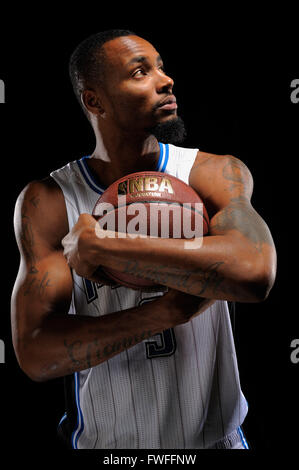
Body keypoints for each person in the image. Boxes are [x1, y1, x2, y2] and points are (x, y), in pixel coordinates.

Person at [11, 29, 276, 450]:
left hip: (215, 444)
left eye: (161, 66)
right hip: (108, 447)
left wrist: (106, 247)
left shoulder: (213, 173)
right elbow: (37, 353)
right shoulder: (49, 202)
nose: (165, 79)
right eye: (140, 72)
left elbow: (255, 272)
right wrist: (163, 314)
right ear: (94, 101)